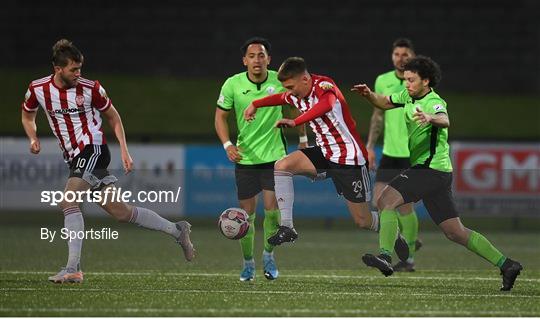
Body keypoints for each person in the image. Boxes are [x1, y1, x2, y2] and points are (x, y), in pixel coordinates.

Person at [21, 39, 195, 284]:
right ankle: (177, 230)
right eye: (73, 70)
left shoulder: (91, 88)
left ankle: (73, 268)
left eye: (80, 68)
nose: (78, 74)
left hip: (92, 149)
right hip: (74, 157)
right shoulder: (38, 88)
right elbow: (28, 114)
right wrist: (32, 137)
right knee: (122, 212)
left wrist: (124, 150)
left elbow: (113, 117)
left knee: (68, 202)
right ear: (57, 69)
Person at [352, 56, 523, 291]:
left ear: (426, 80)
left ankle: (385, 256)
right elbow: (383, 102)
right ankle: (507, 264)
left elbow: (445, 119)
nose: (407, 84)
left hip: (430, 170)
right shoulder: (408, 95)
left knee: (385, 201)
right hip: (439, 173)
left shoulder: (434, 102)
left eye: (411, 80)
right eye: (406, 80)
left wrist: (431, 118)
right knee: (455, 232)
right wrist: (369, 95)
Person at [243, 57, 409, 262]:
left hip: (349, 158)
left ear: (305, 79)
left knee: (363, 221)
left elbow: (326, 105)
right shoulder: (296, 94)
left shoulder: (324, 86)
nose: (289, 91)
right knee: (282, 166)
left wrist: (296, 121)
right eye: (286, 87)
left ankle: (393, 233)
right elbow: (280, 98)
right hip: (324, 153)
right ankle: (287, 226)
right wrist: (254, 104)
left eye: (291, 86)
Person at [215, 37, 307, 281]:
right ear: (245, 60)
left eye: (261, 55)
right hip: (245, 159)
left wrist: (303, 137)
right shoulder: (232, 84)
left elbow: (296, 108)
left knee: (272, 211)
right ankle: (247, 263)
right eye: (252, 55)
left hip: (274, 158)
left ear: (269, 59)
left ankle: (268, 256)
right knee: (245, 217)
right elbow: (220, 117)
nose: (257, 59)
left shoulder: (279, 81)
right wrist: (227, 144)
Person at [367, 38, 422, 272]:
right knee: (377, 202)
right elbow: (377, 116)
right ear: (392, 57)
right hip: (390, 153)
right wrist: (370, 145)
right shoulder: (383, 80)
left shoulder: (419, 81)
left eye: (405, 54)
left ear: (412, 57)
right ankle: (406, 240)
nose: (401, 58)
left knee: (405, 207)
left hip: (411, 155)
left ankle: (407, 259)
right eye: (397, 54)